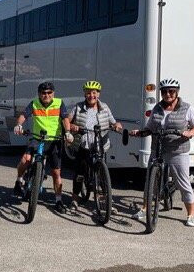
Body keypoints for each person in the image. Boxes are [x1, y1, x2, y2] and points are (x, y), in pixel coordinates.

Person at [130, 78, 194, 227]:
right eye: (164, 92)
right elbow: (150, 127)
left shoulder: (187, 108)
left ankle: (191, 214)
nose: (167, 94)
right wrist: (140, 132)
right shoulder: (157, 108)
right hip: (158, 148)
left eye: (171, 91)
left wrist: (189, 133)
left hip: (177, 151)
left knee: (183, 182)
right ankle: (145, 208)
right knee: (150, 180)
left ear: (177, 92)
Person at [13, 82, 73, 214]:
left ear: (53, 93)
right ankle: (19, 181)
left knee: (56, 173)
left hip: (54, 140)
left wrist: (67, 132)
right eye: (43, 93)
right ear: (39, 94)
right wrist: (19, 125)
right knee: (25, 159)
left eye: (49, 93)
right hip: (37, 138)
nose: (46, 95)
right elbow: (24, 115)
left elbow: (65, 119)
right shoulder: (34, 103)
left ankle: (58, 200)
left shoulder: (59, 103)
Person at [68, 81, 122, 211]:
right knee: (79, 172)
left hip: (100, 144)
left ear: (98, 94)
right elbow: (67, 122)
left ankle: (105, 201)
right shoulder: (78, 107)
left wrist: (117, 126)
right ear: (84, 94)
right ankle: (75, 198)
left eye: (94, 92)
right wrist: (72, 126)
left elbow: (114, 122)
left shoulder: (104, 107)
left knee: (102, 173)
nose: (91, 95)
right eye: (88, 93)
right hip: (83, 142)